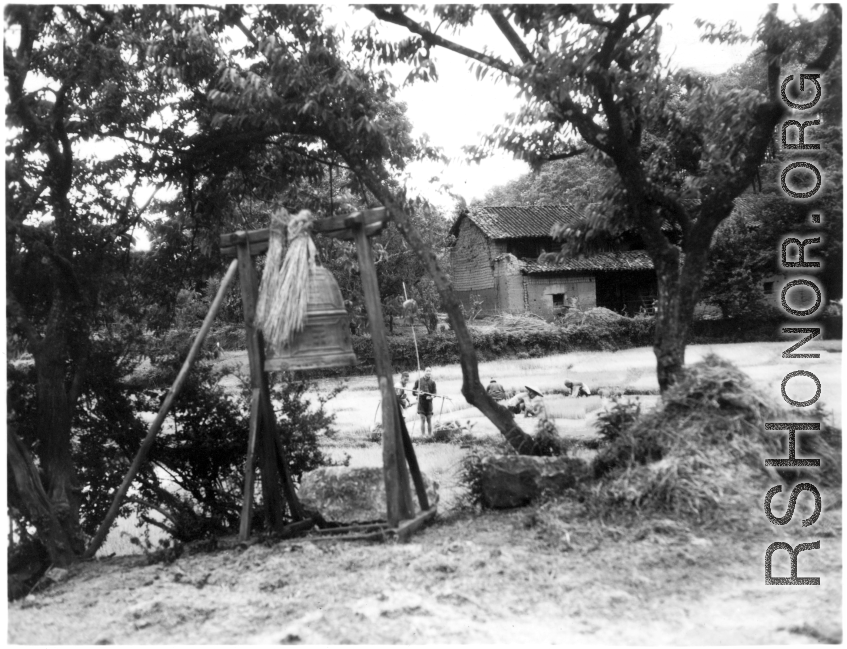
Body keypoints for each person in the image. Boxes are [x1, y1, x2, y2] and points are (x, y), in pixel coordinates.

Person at [412, 367, 436, 436]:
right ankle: (423, 436)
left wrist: (431, 396)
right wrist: (418, 393)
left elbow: (434, 393)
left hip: (429, 403)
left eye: (429, 371)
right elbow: (413, 392)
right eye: (427, 371)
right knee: (422, 419)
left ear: (431, 372)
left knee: (429, 419)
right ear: (424, 371)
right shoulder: (418, 381)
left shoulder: (433, 382)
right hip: (421, 402)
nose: (428, 372)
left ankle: (429, 436)